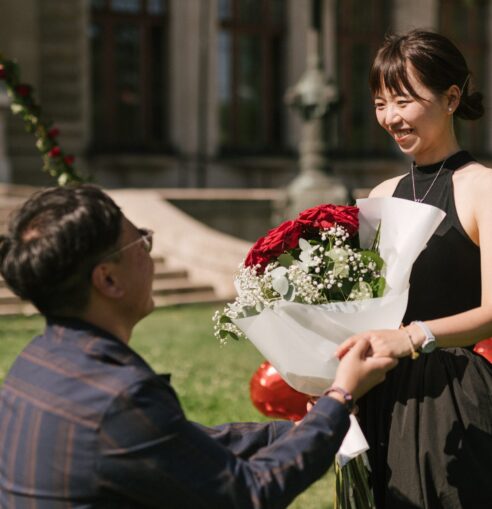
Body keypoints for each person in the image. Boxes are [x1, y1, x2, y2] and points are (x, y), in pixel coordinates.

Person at [0, 184, 396, 509]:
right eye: (140, 240)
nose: (147, 249)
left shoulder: (34, 364)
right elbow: (250, 494)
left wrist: (307, 424)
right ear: (108, 280)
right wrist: (340, 397)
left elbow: (179, 443)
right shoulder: (120, 396)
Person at [337, 30, 492, 508]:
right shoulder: (381, 195)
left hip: (454, 396)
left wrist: (413, 336)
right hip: (381, 392)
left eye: (403, 101)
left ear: (451, 98)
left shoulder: (482, 188)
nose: (391, 117)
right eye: (381, 103)